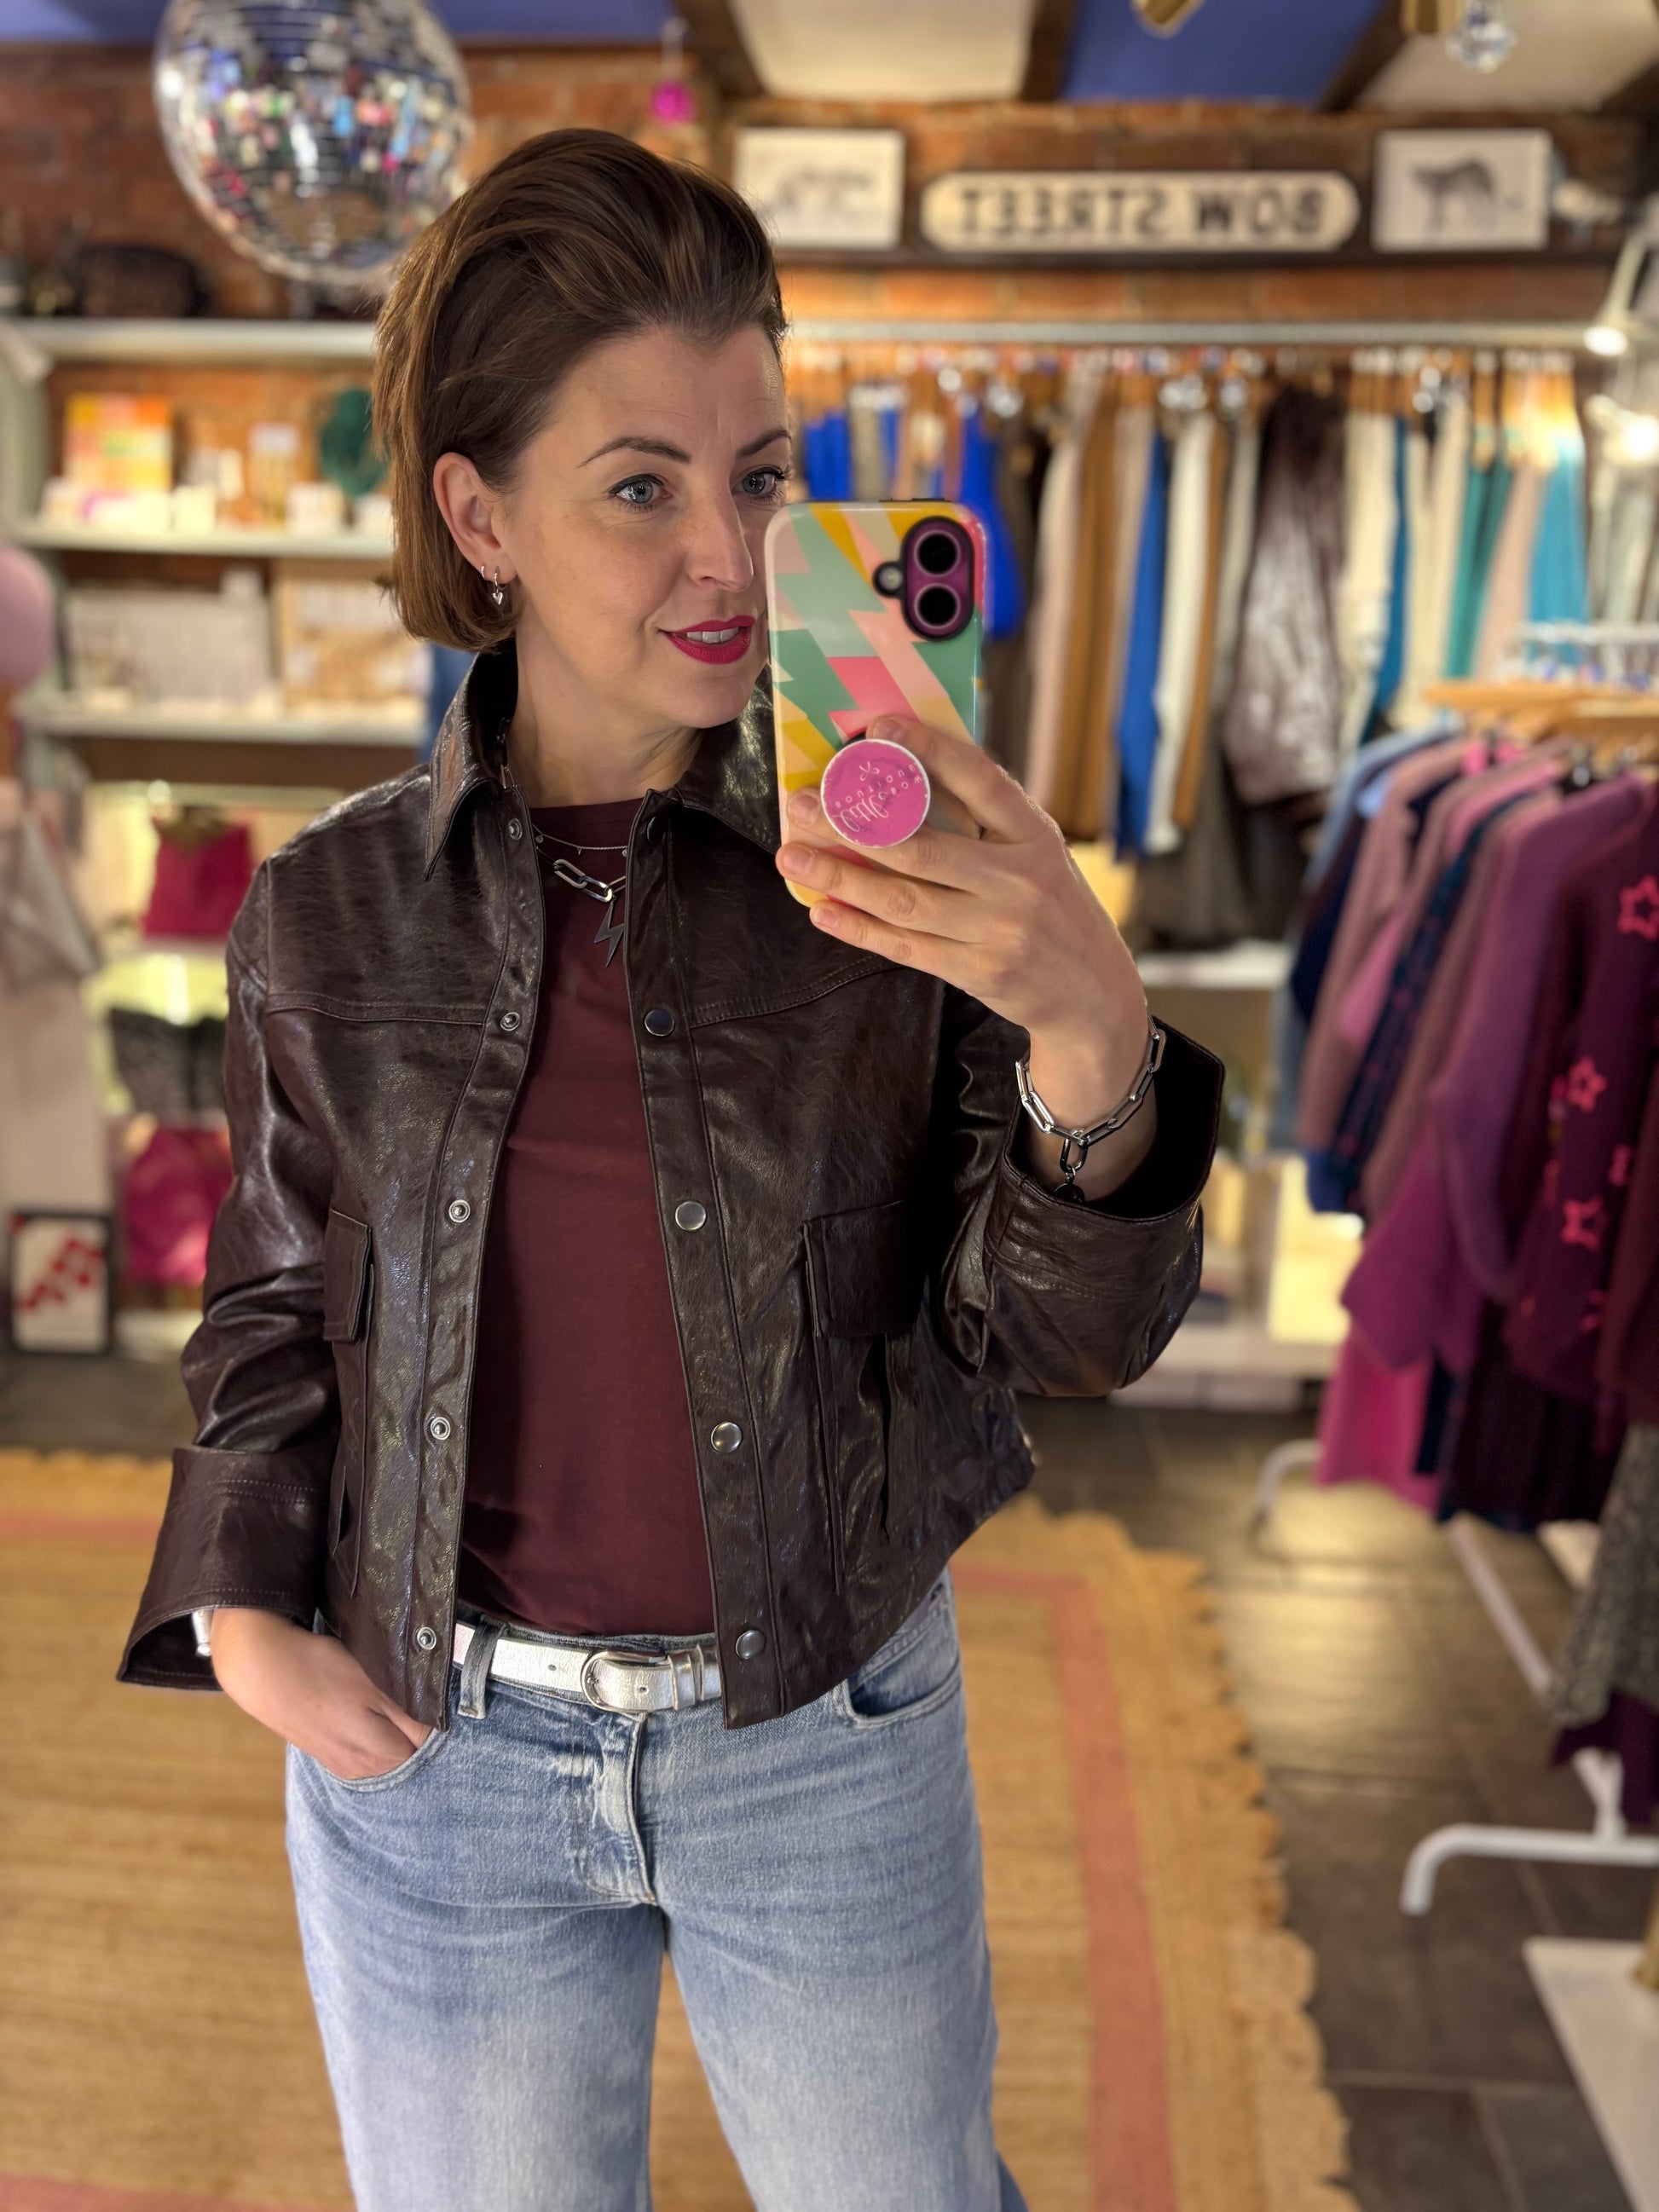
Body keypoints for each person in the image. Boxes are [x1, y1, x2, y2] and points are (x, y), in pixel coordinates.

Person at [120, 130, 1220, 2212]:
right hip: (433, 1749)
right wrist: (239, 1600)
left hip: (819, 1719)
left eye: (765, 475)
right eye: (642, 485)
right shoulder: (331, 911)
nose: (729, 552)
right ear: (480, 510)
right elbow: (270, 1300)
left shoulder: (893, 886)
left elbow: (1062, 1338)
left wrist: (1092, 1034)